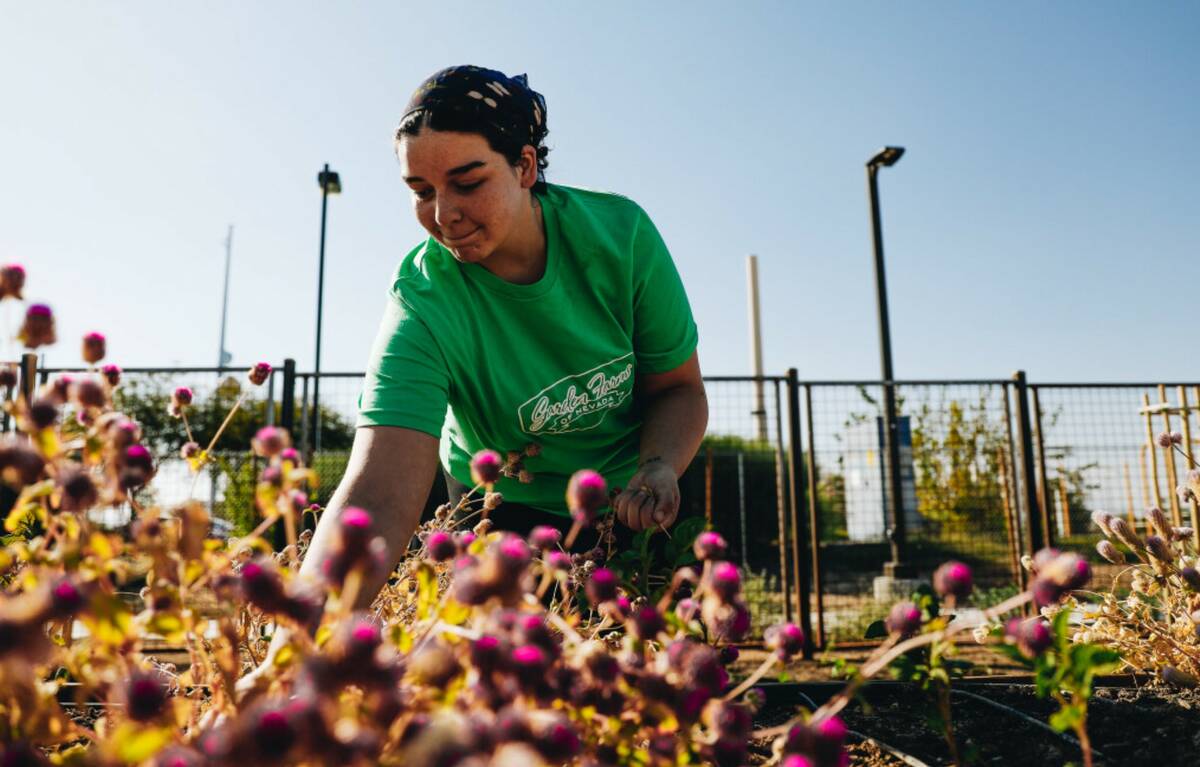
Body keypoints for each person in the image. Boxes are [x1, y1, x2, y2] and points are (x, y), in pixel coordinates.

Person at [244, 65, 707, 681]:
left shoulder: (621, 239)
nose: (444, 214)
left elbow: (678, 389)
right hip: (499, 514)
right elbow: (377, 490)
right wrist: (291, 654)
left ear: (524, 166)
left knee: (656, 692)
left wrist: (658, 467)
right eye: (421, 190)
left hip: (633, 502)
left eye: (467, 182)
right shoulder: (424, 299)